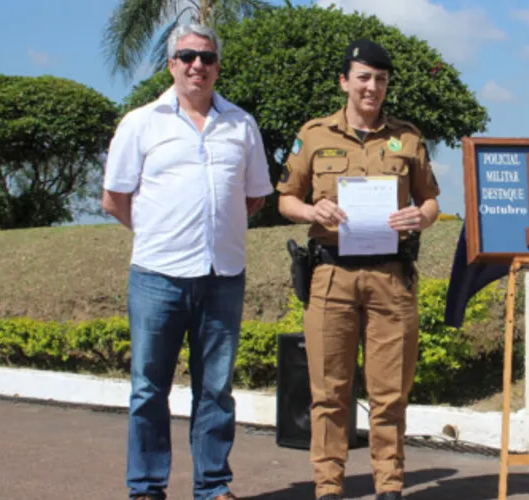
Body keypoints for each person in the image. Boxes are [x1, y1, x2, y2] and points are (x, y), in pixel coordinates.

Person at [101, 23, 273, 500]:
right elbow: (114, 198)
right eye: (188, 56)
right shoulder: (141, 122)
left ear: (217, 67)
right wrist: (159, 232)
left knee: (215, 390)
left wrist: (212, 230)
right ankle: (146, 487)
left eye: (207, 58)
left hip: (223, 277)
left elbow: (254, 197)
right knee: (148, 389)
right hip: (157, 276)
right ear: (171, 64)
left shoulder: (242, 124)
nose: (198, 65)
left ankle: (213, 486)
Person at [275, 39, 440, 500]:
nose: (372, 87)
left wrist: (420, 217)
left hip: (390, 277)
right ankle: (328, 486)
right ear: (344, 81)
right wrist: (312, 211)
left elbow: (430, 199)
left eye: (381, 79)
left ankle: (389, 486)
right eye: (364, 77)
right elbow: (286, 199)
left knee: (390, 394)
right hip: (332, 276)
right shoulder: (314, 135)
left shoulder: (408, 138)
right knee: (329, 392)